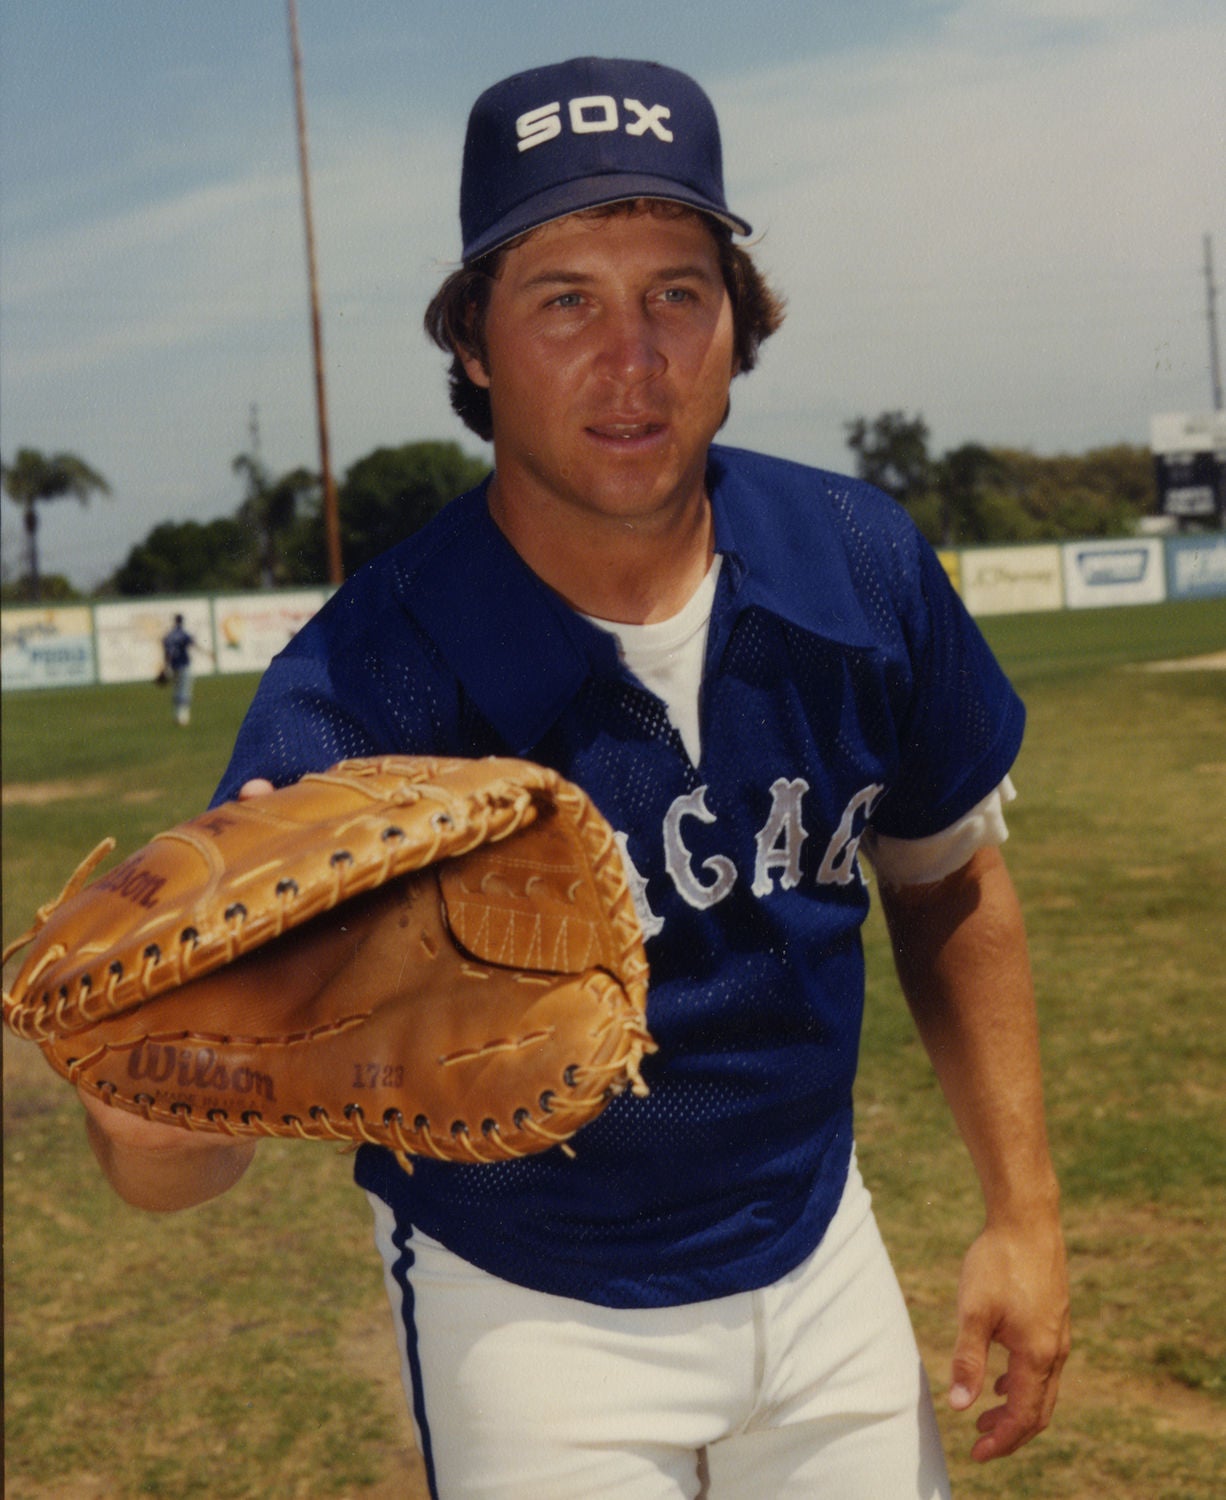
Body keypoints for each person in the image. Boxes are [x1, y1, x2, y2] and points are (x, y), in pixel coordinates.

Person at [80, 56, 1070, 1499]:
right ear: (473, 342)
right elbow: (186, 1135)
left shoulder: (856, 566)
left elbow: (947, 879)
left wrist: (1023, 1215)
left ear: (739, 323)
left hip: (816, 1245)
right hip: (525, 1299)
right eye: (564, 299)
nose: (634, 355)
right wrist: (158, 1123)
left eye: (676, 289)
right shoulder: (367, 687)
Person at [160, 612, 205, 725]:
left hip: (174, 666)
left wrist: (165, 667)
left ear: (174, 621)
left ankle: (176, 714)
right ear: (182, 621)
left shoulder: (169, 635)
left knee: (177, 690)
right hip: (184, 664)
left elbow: (167, 653)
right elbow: (194, 645)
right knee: (185, 690)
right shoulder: (183, 634)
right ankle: (183, 717)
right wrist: (208, 654)